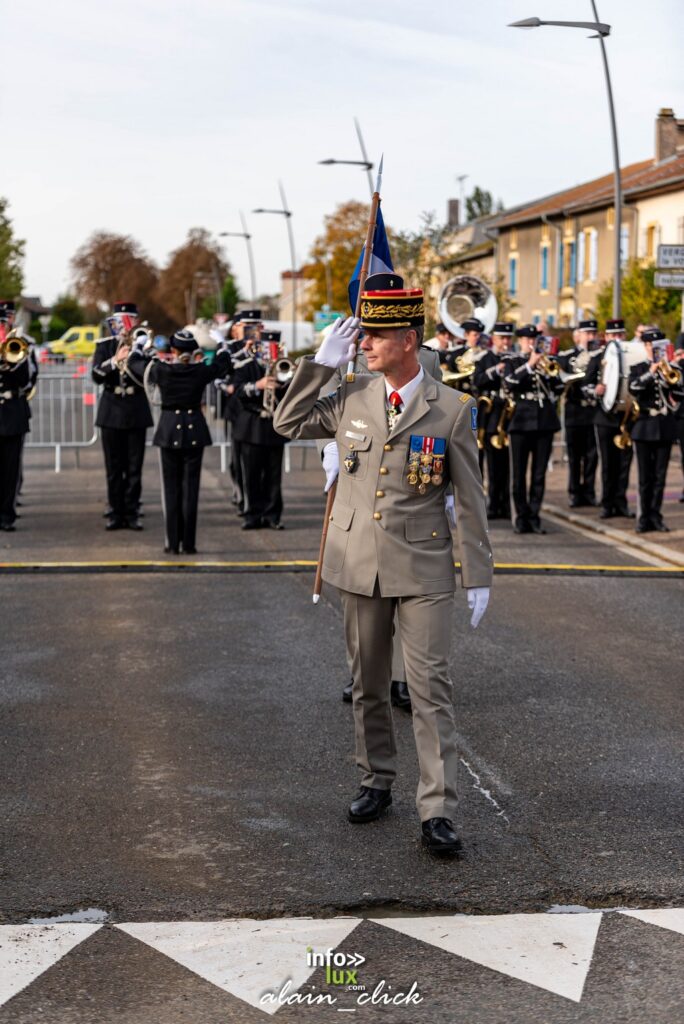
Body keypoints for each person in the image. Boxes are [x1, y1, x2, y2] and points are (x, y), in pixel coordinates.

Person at [274, 285, 493, 856]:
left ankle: (438, 808)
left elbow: (469, 498)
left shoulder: (452, 408)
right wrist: (319, 365)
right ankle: (376, 779)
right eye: (361, 336)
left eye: (375, 336)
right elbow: (287, 422)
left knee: (430, 691)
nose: (364, 344)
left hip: (423, 566)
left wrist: (479, 572)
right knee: (369, 684)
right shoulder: (350, 396)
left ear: (409, 341)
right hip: (358, 563)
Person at [319, 273, 443, 713]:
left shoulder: (427, 358)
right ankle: (366, 677)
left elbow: (433, 417)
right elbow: (331, 409)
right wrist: (329, 449)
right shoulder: (353, 360)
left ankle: (407, 680)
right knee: (366, 598)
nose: (368, 340)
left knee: (407, 596)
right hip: (360, 476)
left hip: (410, 488)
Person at [127, 329, 232, 553]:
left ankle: (172, 544)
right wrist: (223, 343)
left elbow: (134, 364)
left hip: (168, 431)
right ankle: (189, 544)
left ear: (173, 350)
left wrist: (139, 345)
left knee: (171, 490)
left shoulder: (162, 369)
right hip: (195, 430)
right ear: (193, 351)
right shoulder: (200, 371)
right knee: (191, 490)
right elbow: (224, 363)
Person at [91, 302, 153, 530]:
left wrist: (136, 354)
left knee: (135, 466)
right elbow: (96, 375)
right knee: (114, 467)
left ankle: (132, 510)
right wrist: (115, 361)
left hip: (136, 408)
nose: (126, 325)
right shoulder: (105, 346)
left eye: (130, 319)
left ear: (136, 321)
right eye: (121, 320)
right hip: (111, 409)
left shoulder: (145, 346)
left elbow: (149, 376)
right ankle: (116, 511)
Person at [504, 324, 564, 534]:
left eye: (534, 339)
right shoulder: (512, 361)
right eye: (527, 340)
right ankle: (520, 517)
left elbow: (559, 387)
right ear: (520, 341)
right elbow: (509, 383)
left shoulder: (548, 362)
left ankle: (534, 516)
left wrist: (548, 374)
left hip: (544, 422)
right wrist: (530, 365)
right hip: (520, 421)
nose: (531, 343)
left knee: (539, 474)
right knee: (518, 474)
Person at [229, 328, 290, 530]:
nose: (269, 352)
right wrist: (258, 385)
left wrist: (284, 384)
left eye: (273, 348)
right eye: (266, 347)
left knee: (274, 475)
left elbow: (294, 394)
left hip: (274, 425)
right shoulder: (246, 365)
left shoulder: (285, 367)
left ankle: (273, 515)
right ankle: (252, 514)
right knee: (251, 474)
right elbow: (237, 390)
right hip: (252, 424)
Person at [628, 328, 684, 533]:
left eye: (658, 346)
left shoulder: (672, 369)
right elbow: (633, 388)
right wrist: (651, 373)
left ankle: (656, 515)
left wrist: (673, 377)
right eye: (650, 346)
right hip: (644, 426)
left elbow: (679, 393)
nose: (654, 350)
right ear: (645, 347)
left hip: (664, 427)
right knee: (645, 477)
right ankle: (643, 518)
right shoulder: (638, 368)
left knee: (660, 477)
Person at [582, 318, 635, 519]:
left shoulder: (631, 359)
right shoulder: (598, 358)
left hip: (625, 417)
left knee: (624, 463)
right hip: (604, 417)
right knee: (607, 463)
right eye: (613, 335)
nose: (617, 338)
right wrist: (595, 390)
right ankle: (607, 503)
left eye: (620, 335)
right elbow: (584, 387)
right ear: (606, 337)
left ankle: (621, 502)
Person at [473, 321, 515, 520]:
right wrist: (496, 370)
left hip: (509, 418)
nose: (505, 342)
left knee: (506, 465)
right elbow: (477, 381)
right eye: (502, 338)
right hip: (491, 418)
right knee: (491, 465)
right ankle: (492, 504)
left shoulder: (515, 359)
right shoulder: (485, 359)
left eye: (508, 338)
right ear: (494, 340)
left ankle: (505, 505)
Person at [0, 301, 36, 531]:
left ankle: (6, 515)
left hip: (12, 412)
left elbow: (29, 380)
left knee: (10, 470)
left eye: (3, 323)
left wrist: (11, 362)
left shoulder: (21, 347)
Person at [557, 319, 599, 508]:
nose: (590, 337)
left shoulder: (600, 355)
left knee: (592, 455)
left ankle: (589, 492)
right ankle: (574, 492)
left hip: (593, 410)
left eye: (593, 333)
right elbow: (559, 377)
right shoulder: (567, 356)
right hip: (575, 409)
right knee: (574, 456)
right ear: (579, 335)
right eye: (587, 333)